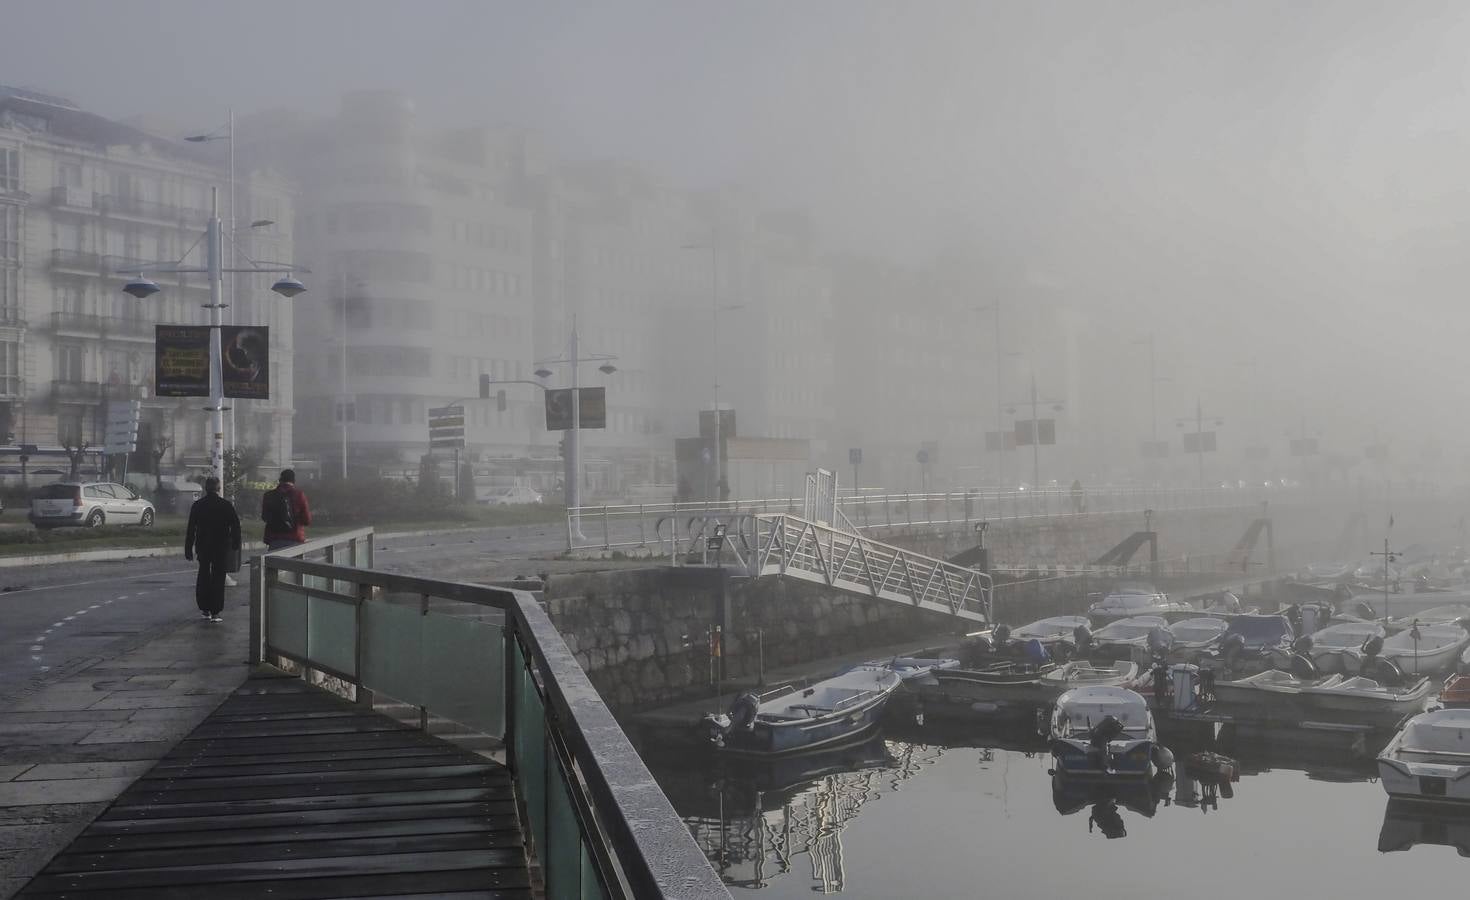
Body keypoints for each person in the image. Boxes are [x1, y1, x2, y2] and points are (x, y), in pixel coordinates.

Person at [184, 476, 241, 623]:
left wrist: (188, 548)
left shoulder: (198, 505)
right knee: (218, 576)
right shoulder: (225, 505)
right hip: (221, 546)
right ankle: (216, 611)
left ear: (205, 488)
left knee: (203, 574)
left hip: (203, 546)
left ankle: (205, 609)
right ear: (219, 488)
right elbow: (235, 525)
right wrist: (236, 543)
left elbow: (191, 529)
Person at [262, 468, 312, 551]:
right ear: (293, 481)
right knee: (294, 564)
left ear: (280, 480)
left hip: (274, 540)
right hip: (294, 539)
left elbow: (264, 517)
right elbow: (307, 520)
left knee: (274, 563)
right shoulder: (299, 495)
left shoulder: (268, 495)